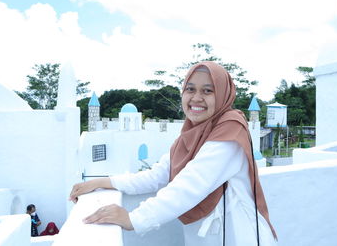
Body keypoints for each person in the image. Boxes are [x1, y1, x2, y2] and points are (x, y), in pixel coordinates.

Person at [69, 61, 277, 245]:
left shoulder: (231, 129)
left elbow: (190, 184)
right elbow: (156, 176)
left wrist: (134, 219)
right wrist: (102, 182)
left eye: (207, 91)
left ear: (222, 94)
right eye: (190, 89)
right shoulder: (189, 135)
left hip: (239, 237)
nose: (196, 98)